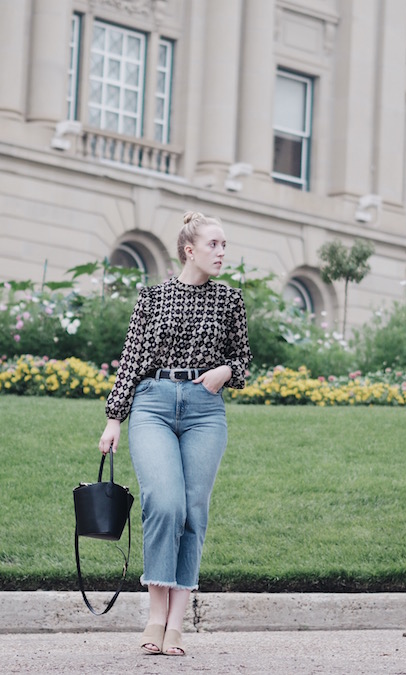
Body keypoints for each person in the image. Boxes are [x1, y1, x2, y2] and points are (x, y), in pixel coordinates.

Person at [99, 210, 252, 656]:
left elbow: (243, 363)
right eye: (214, 245)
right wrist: (114, 418)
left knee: (192, 512)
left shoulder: (231, 301)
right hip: (153, 403)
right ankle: (154, 615)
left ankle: (176, 625)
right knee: (163, 503)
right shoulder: (152, 299)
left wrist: (224, 370)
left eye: (225, 245)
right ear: (190, 250)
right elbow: (130, 361)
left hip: (205, 411)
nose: (222, 252)